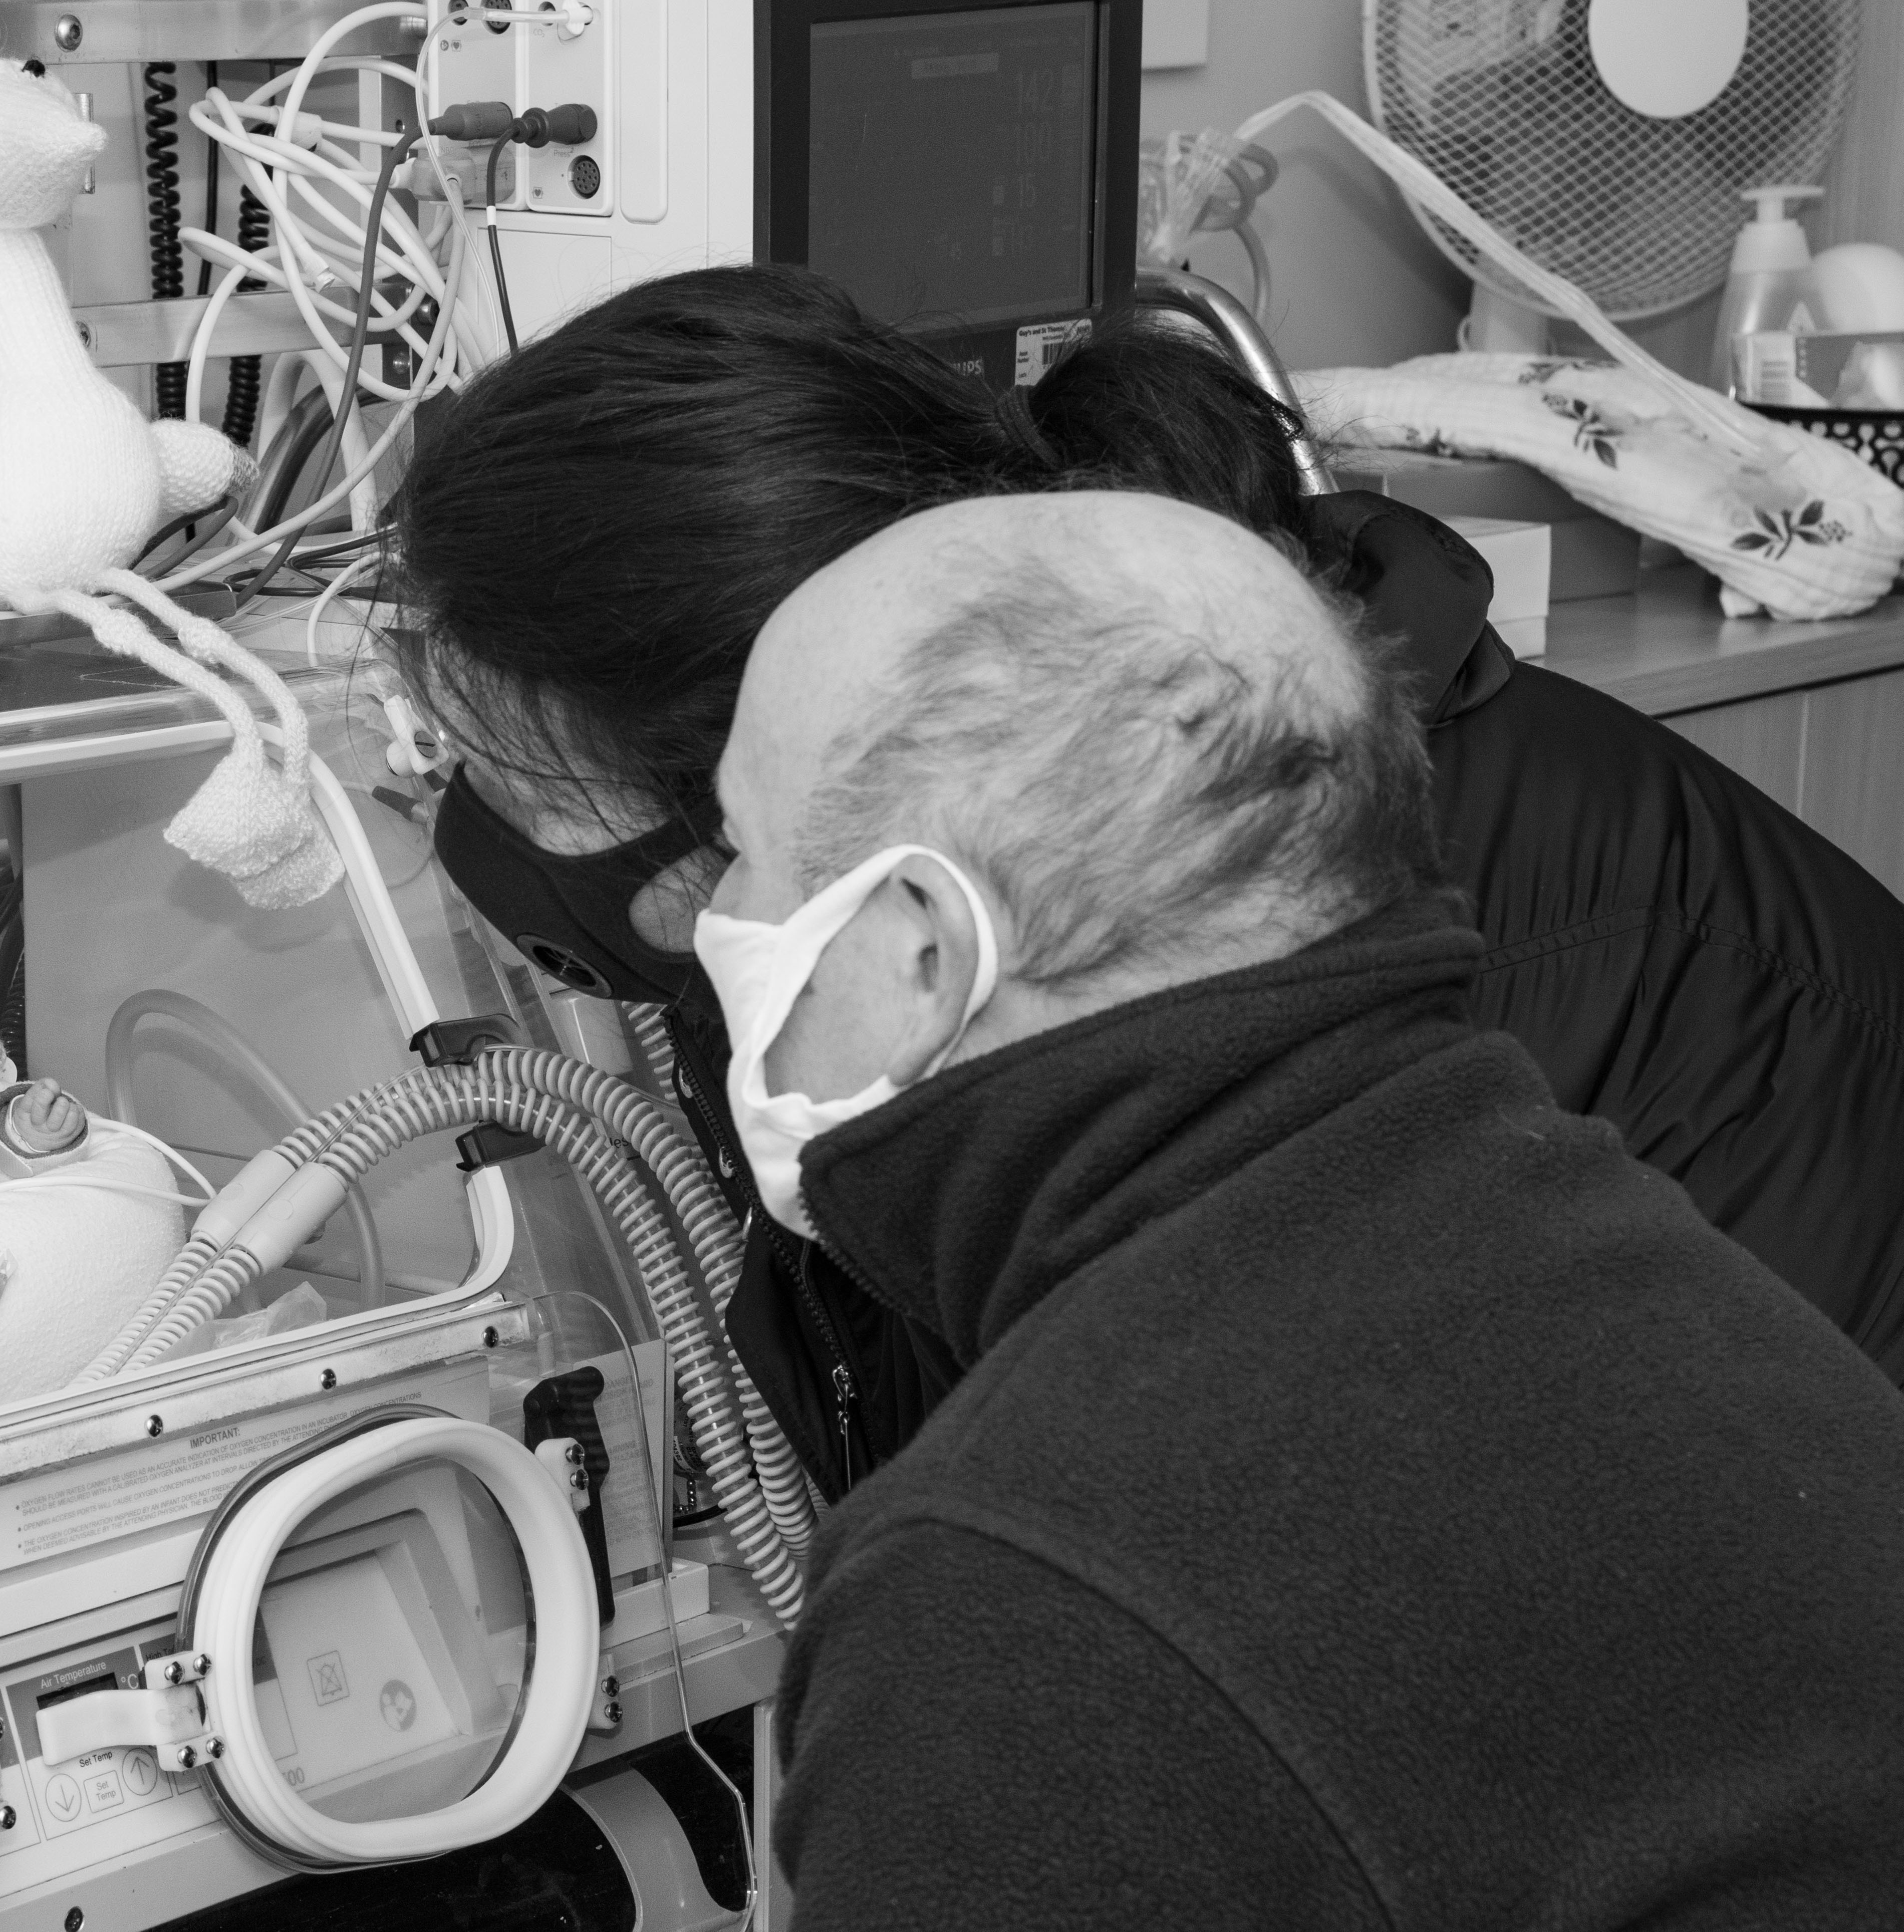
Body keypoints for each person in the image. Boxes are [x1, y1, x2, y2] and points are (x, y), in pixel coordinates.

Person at [391, 264, 1904, 1499]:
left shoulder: (1410, 1018)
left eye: (535, 788)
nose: (492, 841)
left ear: (790, 760)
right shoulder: (912, 918)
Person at [736, 491, 1904, 1926]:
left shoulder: (1020, 1593)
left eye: (744, 850)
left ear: (922, 951)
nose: (709, 920)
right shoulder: (1634, 1268)